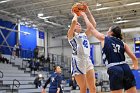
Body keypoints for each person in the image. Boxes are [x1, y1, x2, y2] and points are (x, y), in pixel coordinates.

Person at [85, 2, 139, 93]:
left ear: (111, 33)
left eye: (108, 30)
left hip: (114, 68)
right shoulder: (123, 43)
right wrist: (135, 66)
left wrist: (85, 15)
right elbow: (134, 58)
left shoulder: (105, 39)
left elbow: (91, 28)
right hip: (125, 68)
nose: (107, 31)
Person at [67, 4, 96, 93]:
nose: (79, 24)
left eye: (80, 24)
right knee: (83, 88)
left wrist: (88, 12)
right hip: (78, 60)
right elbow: (74, 22)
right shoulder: (70, 35)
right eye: (77, 24)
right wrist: (75, 13)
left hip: (87, 59)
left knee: (93, 87)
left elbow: (93, 25)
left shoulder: (84, 35)